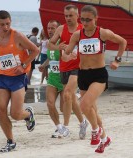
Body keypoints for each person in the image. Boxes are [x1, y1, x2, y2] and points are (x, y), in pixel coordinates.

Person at [63, 5, 127, 153]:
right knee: (92, 110)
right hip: (83, 75)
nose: (85, 23)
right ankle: (105, 139)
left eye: (88, 20)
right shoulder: (77, 35)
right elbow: (66, 54)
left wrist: (117, 60)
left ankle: (95, 131)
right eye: (83, 19)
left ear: (96, 19)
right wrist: (67, 53)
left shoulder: (102, 33)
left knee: (84, 105)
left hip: (99, 75)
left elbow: (122, 42)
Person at [0, 10, 39, 152]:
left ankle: (28, 114)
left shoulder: (18, 36)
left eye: (8, 24)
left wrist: (23, 65)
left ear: (11, 22)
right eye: (2, 24)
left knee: (15, 114)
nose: (6, 27)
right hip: (2, 78)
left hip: (17, 78)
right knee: (1, 111)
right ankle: (10, 141)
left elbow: (35, 51)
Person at [48, 4, 88, 139]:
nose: (68, 18)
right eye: (66, 16)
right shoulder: (61, 29)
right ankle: (83, 122)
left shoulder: (83, 29)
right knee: (70, 98)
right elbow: (50, 44)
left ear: (78, 16)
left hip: (79, 68)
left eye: (71, 15)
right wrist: (57, 46)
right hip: (64, 67)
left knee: (67, 94)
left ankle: (64, 126)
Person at [39, 20, 65, 138]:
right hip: (53, 78)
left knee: (63, 108)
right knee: (50, 103)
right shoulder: (49, 43)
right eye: (48, 28)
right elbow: (50, 58)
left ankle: (68, 125)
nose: (49, 31)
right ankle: (59, 128)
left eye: (52, 28)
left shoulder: (63, 42)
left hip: (65, 78)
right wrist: (43, 65)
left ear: (58, 29)